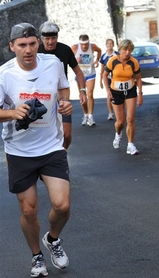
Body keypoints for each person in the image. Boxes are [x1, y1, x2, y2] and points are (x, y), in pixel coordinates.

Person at [0, 23, 73, 277]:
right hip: (19, 150)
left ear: (38, 44)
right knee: (29, 210)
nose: (28, 50)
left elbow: (63, 88)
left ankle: (52, 240)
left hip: (51, 146)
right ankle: (36, 256)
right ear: (12, 47)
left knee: (62, 206)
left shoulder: (52, 63)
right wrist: (12, 112)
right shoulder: (4, 74)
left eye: (32, 44)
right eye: (21, 45)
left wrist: (65, 105)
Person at [38, 21, 87, 149]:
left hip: (61, 97)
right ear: (42, 39)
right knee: (43, 136)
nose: (50, 42)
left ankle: (62, 155)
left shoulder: (65, 50)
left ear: (57, 37)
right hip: (41, 98)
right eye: (47, 38)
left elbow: (78, 71)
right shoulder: (36, 51)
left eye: (53, 38)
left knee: (66, 135)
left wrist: (82, 90)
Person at [103, 39, 143, 155]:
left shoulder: (133, 62)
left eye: (130, 50)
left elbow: (139, 77)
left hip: (130, 91)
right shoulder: (112, 61)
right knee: (120, 122)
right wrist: (108, 90)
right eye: (125, 50)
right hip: (116, 91)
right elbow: (105, 75)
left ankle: (130, 145)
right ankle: (118, 134)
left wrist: (140, 94)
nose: (127, 52)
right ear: (120, 50)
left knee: (130, 119)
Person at [71, 34, 101, 126]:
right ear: (79, 43)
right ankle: (85, 114)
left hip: (90, 74)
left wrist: (97, 60)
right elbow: (69, 58)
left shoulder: (93, 46)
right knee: (82, 96)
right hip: (80, 76)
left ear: (88, 42)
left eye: (86, 44)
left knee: (90, 94)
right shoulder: (75, 48)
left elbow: (99, 50)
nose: (84, 46)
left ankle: (91, 117)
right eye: (82, 44)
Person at [99, 38, 118, 121]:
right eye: (108, 43)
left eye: (111, 43)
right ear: (106, 45)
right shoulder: (104, 56)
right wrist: (100, 81)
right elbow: (102, 69)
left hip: (117, 77)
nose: (109, 45)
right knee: (109, 95)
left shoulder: (117, 54)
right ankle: (110, 113)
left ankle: (118, 111)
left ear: (113, 45)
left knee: (118, 94)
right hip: (108, 77)